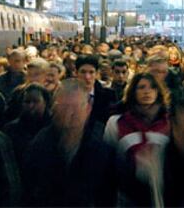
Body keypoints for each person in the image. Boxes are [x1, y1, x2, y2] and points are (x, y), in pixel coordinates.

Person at [22, 79, 116, 207]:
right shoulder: (38, 145)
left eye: (76, 107)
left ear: (88, 108)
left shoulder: (100, 147)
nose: (70, 114)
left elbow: (107, 196)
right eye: (64, 107)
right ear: (54, 108)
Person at [104, 72, 171, 206]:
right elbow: (108, 161)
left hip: (166, 194)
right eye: (141, 87)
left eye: (152, 87)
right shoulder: (118, 122)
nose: (147, 91)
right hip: (128, 195)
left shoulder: (170, 123)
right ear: (133, 91)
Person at [3, 83, 51, 169]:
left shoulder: (55, 128)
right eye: (27, 102)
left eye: (36, 101)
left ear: (45, 102)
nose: (31, 106)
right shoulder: (11, 130)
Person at [76, 55, 117, 128]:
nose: (87, 77)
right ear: (76, 73)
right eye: (83, 72)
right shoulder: (68, 95)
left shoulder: (108, 95)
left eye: (91, 72)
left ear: (97, 73)